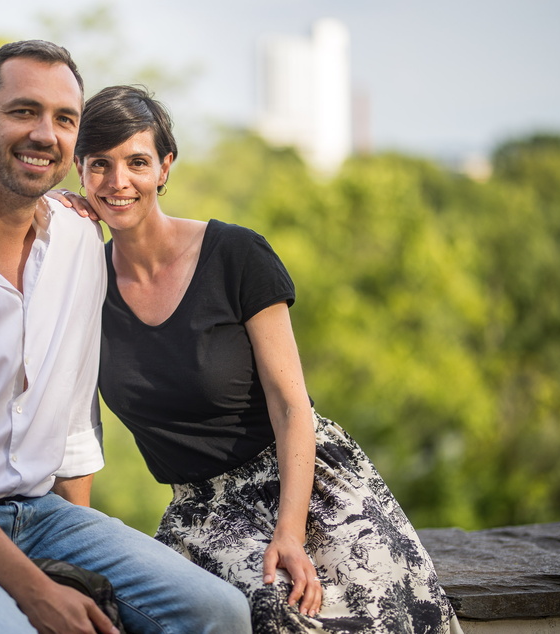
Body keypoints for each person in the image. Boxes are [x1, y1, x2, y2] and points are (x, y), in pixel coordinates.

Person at [0, 42, 252, 634]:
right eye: (23, 111)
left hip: (42, 515)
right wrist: (39, 592)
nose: (44, 134)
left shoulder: (80, 241)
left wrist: (76, 571)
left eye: (64, 119)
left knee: (219, 612)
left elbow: (73, 421)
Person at [56, 85, 464, 634]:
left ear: (164, 167)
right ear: (78, 171)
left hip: (308, 483)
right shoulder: (82, 284)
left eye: (137, 161)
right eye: (99, 164)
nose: (118, 181)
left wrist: (290, 532)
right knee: (274, 613)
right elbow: (75, 427)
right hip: (204, 514)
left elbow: (292, 404)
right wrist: (56, 227)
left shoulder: (236, 255)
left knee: (386, 617)